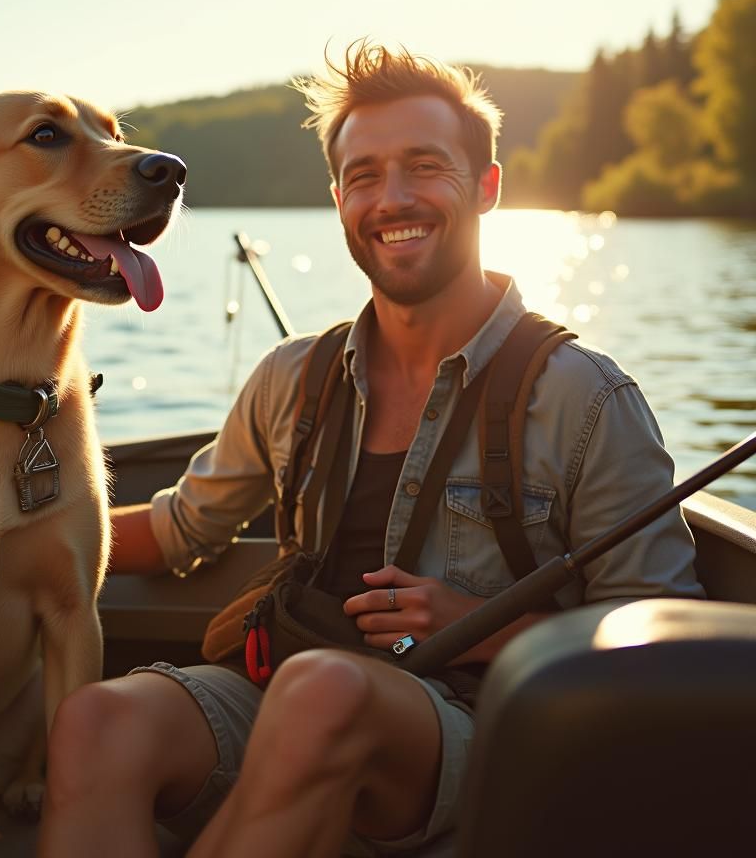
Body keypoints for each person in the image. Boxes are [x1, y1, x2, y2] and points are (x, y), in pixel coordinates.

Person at [37, 42, 704, 858]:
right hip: (283, 697)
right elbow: (182, 529)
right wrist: (17, 540)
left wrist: (486, 628)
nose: (392, 199)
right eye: (363, 176)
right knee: (98, 719)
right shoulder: (293, 377)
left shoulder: (586, 399)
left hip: (480, 734)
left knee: (323, 694)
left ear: (487, 187)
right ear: (339, 197)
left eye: (425, 166)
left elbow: (663, 636)